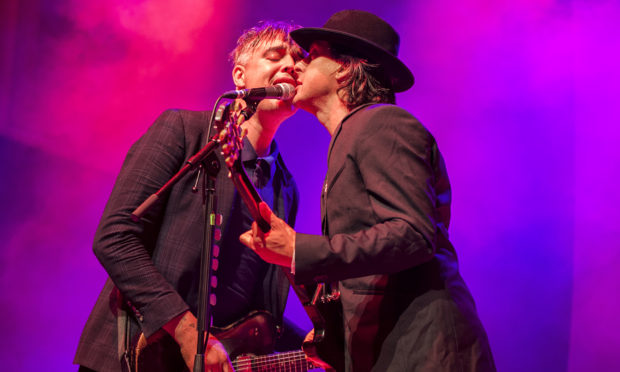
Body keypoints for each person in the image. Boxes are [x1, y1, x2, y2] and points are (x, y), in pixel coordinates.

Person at [240, 10, 496, 371]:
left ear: (344, 68)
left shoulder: (383, 123)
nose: (297, 67)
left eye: (310, 56)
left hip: (429, 354)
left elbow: (412, 234)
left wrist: (300, 248)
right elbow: (375, 267)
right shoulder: (351, 138)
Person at [75, 21, 305, 372]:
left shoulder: (286, 189)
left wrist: (318, 347)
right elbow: (114, 237)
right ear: (240, 76)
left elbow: (260, 314)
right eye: (276, 56)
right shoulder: (183, 131)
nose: (291, 64)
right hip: (132, 357)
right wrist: (186, 332)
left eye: (299, 60)